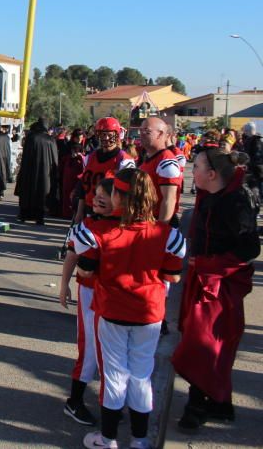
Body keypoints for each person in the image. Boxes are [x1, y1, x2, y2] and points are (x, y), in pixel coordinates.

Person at [73, 168, 186, 449]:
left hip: (112, 311)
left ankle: (108, 438)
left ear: (117, 197)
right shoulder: (168, 234)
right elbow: (173, 276)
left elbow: (86, 272)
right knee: (140, 375)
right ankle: (139, 440)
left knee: (114, 375)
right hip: (149, 312)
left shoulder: (95, 231)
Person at [172, 148, 259, 433]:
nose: (191, 170)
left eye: (195, 166)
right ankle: (219, 404)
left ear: (211, 174)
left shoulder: (234, 203)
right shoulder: (209, 195)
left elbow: (249, 248)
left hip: (219, 286)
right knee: (206, 343)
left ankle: (197, 406)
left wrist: (211, 264)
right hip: (202, 280)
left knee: (203, 344)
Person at [59, 177, 117, 427]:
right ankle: (75, 400)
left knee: (112, 351)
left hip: (117, 296)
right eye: (98, 192)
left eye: (108, 194)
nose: (100, 197)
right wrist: (64, 285)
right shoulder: (86, 226)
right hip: (91, 292)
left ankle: (111, 403)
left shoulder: (130, 226)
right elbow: (72, 256)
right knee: (91, 347)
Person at [71, 117, 135, 226]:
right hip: (88, 209)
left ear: (117, 135)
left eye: (109, 134)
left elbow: (128, 194)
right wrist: (79, 212)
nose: (105, 138)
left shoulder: (125, 161)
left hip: (109, 214)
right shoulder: (90, 157)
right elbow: (83, 187)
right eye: (102, 134)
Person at [137, 117, 182, 227]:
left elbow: (169, 199)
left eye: (146, 131)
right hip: (146, 220)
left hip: (158, 222)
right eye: (140, 130)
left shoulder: (166, 161)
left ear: (160, 134)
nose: (141, 134)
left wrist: (161, 230)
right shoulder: (149, 158)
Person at [15, 119, 59, 225]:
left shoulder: (31, 138)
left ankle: (24, 215)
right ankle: (40, 217)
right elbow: (54, 159)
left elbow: (25, 156)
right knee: (42, 193)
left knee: (28, 192)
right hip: (46, 172)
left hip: (29, 170)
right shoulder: (51, 140)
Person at [240, 122, 262, 202]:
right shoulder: (248, 140)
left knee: (256, 186)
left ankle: (257, 200)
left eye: (246, 130)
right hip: (250, 167)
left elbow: (257, 156)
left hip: (255, 169)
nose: (244, 132)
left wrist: (250, 164)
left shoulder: (256, 141)